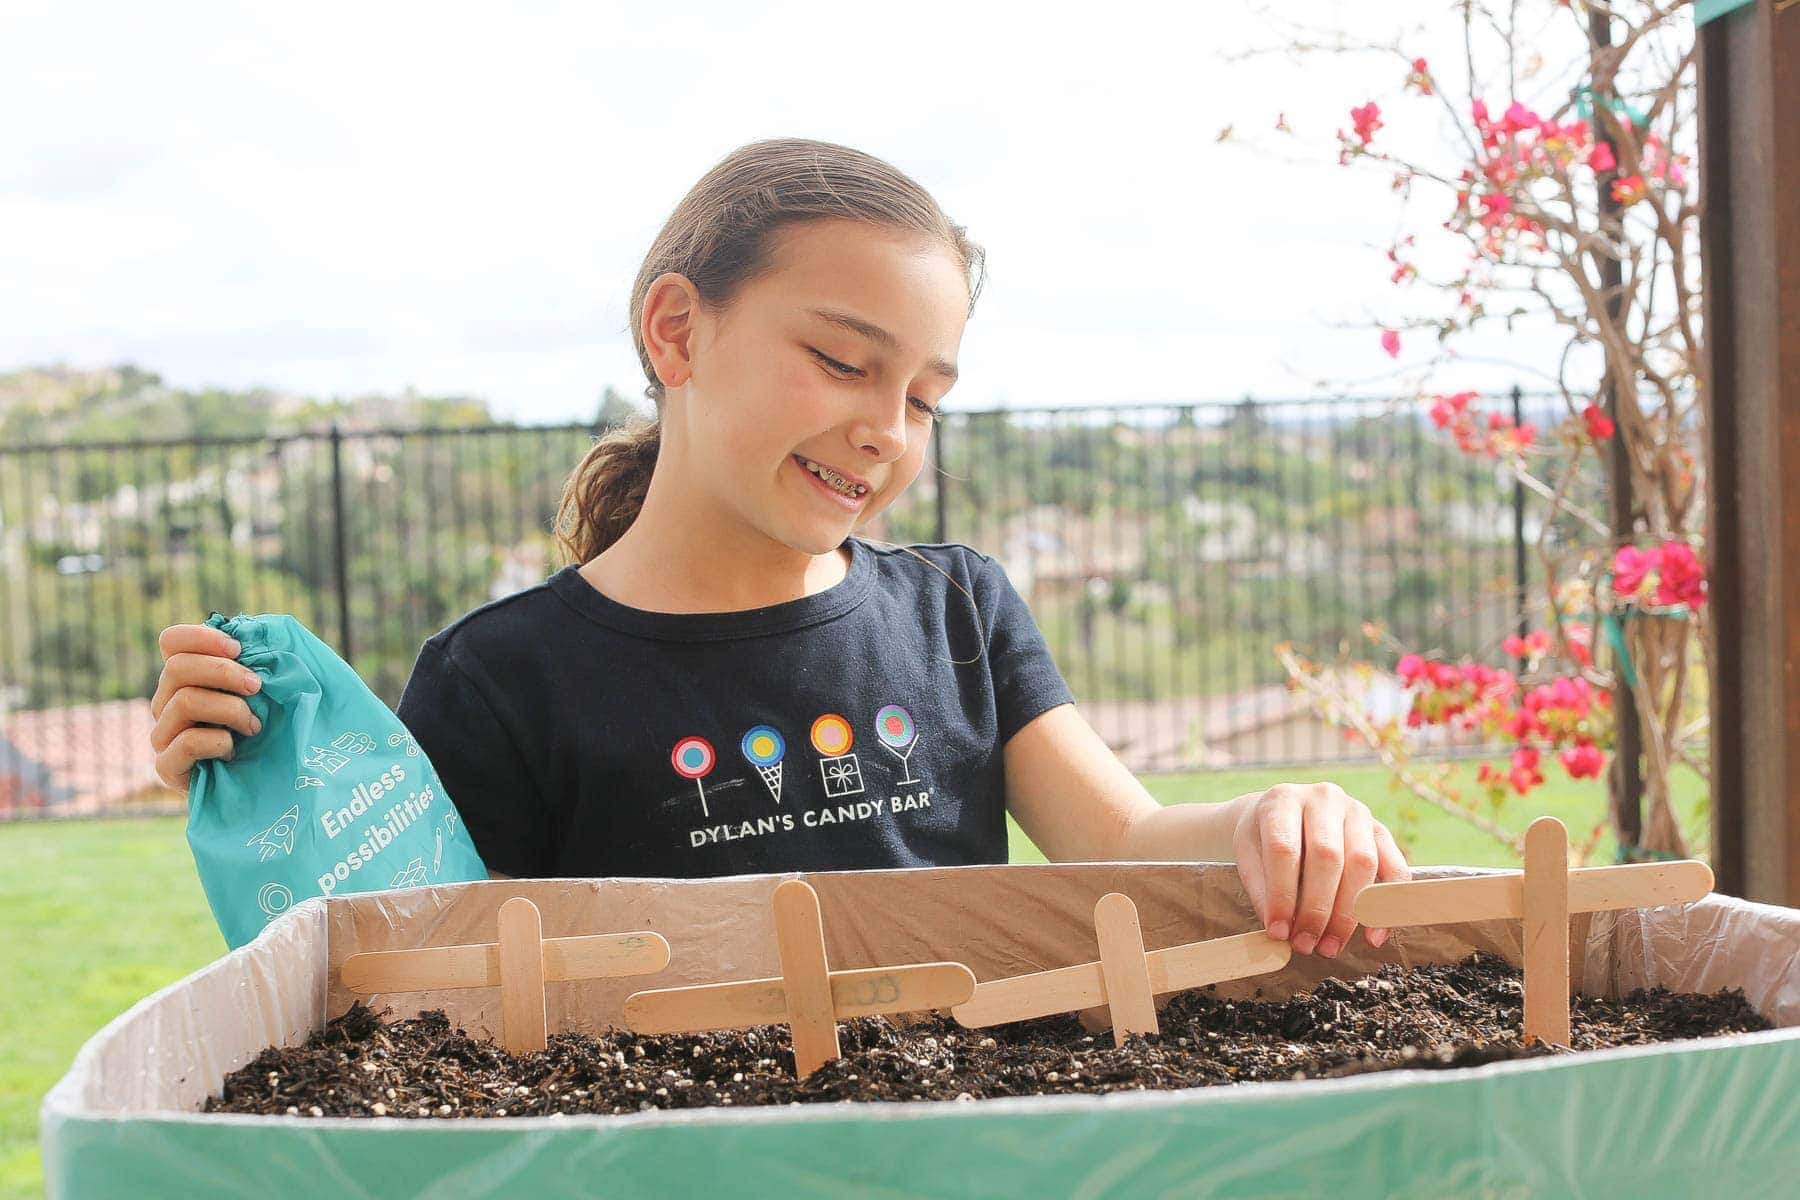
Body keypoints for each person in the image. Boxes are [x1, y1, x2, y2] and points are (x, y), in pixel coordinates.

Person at [149, 136, 1409, 962]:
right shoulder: (499, 679)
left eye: (925, 397)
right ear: (677, 332)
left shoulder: (960, 611)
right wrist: (255, 783)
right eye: (845, 362)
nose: (886, 430)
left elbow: (1122, 844)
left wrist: (1279, 813)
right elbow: (421, 961)